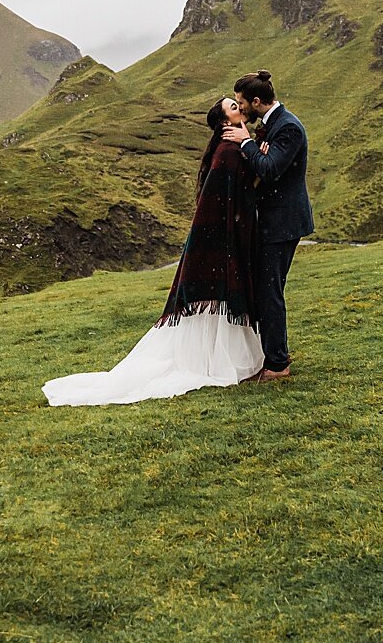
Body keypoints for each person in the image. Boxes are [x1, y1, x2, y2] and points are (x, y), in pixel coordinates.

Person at [42, 96, 264, 405]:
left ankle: (222, 356)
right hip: (223, 240)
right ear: (226, 123)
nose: (241, 108)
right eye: (234, 107)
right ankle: (218, 361)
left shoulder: (233, 148)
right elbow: (234, 193)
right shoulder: (229, 151)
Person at [222, 69, 313, 382]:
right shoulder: (273, 125)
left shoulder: (288, 128)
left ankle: (277, 365)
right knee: (266, 291)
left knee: (269, 292)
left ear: (257, 101)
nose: (240, 109)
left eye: (241, 103)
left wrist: (246, 143)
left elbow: (271, 169)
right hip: (272, 221)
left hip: (282, 223)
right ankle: (273, 356)